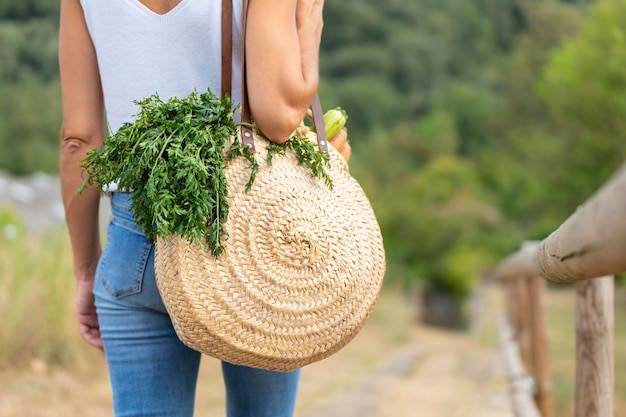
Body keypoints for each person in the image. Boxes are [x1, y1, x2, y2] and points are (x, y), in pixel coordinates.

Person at [58, 0, 343, 416]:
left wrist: (86, 271)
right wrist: (310, 26)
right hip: (252, 231)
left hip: (137, 240)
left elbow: (79, 141)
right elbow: (278, 118)